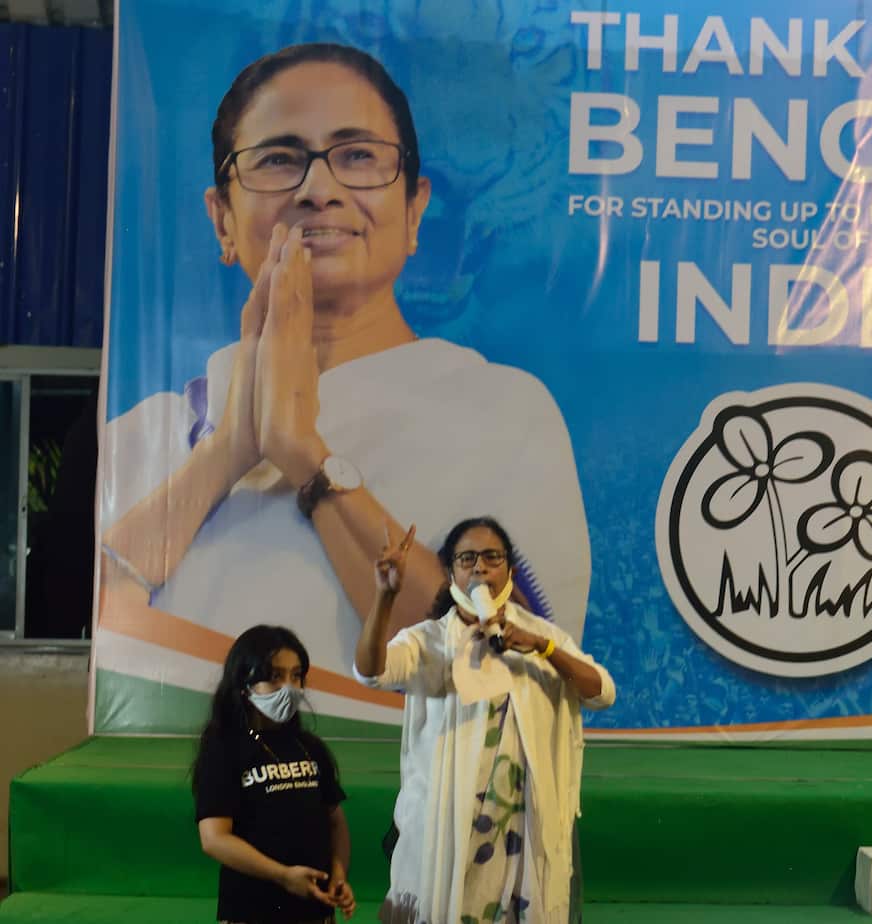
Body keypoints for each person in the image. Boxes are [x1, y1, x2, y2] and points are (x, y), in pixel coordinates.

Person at [96, 43, 590, 721]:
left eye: (357, 156)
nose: (318, 189)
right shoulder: (144, 434)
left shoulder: (504, 413)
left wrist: (305, 458)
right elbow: (98, 648)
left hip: (412, 807)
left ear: (415, 210)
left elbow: (513, 677)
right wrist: (226, 453)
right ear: (222, 218)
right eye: (278, 158)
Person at [355, 517, 615, 924]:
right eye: (467, 558)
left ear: (509, 569)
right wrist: (385, 598)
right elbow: (371, 671)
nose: (480, 568)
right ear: (451, 571)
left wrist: (544, 649)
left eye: (492, 557)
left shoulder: (541, 636)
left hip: (521, 824)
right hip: (447, 825)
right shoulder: (429, 641)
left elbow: (601, 691)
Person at [193, 625, 356, 923]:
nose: (289, 688)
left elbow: (336, 822)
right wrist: (283, 876)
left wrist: (338, 873)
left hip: (315, 911)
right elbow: (214, 838)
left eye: (296, 676)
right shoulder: (224, 748)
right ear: (244, 683)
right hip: (253, 910)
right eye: (275, 676)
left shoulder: (310, 747)